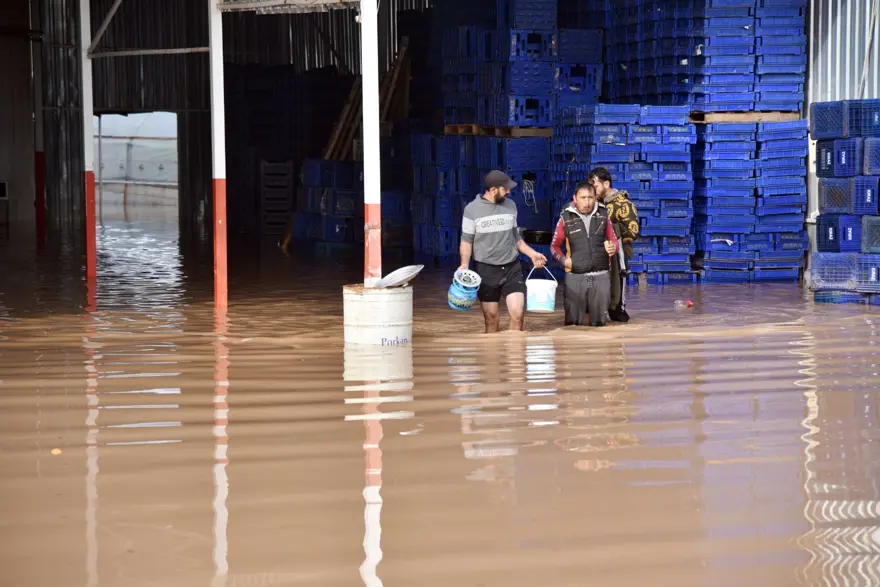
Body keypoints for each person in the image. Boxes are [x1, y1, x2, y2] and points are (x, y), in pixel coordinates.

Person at [459, 170, 548, 333]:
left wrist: (532, 254)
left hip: (512, 267)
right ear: (493, 190)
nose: (508, 191)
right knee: (491, 319)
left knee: (518, 315)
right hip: (485, 270)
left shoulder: (511, 206)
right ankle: (493, 355)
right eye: (504, 188)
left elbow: (516, 238)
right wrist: (464, 264)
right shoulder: (471, 210)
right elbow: (466, 241)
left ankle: (515, 356)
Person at [549, 181, 619, 327]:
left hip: (601, 275)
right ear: (575, 198)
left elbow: (613, 240)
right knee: (573, 325)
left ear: (595, 198)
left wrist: (613, 248)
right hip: (575, 276)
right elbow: (554, 247)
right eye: (583, 197)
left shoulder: (603, 215)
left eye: (590, 197)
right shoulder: (565, 218)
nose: (587, 202)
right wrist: (564, 261)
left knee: (600, 325)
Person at [588, 167, 639, 323]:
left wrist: (613, 236)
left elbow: (633, 232)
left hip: (617, 255)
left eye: (595, 186)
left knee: (617, 306)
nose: (593, 190)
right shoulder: (592, 203)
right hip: (597, 256)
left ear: (606, 184)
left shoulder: (623, 204)